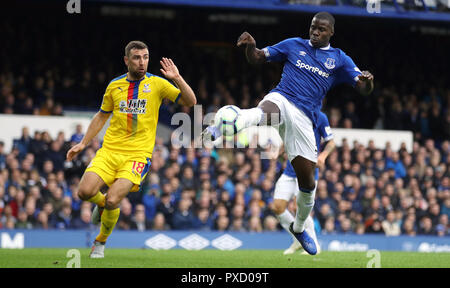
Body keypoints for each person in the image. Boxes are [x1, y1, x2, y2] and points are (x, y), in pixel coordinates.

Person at [203, 12, 373, 255]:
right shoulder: (293, 45)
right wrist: (251, 47)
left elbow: (363, 88)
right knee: (262, 113)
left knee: (308, 183)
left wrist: (368, 81)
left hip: (305, 118)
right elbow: (259, 58)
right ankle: (222, 126)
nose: (315, 32)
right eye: (313, 27)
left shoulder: (339, 59)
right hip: (283, 98)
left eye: (321, 29)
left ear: (331, 33)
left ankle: (300, 227)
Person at [66, 40, 196, 258]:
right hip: (109, 152)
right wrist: (83, 143)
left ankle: (100, 242)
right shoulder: (114, 86)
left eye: (145, 57)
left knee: (114, 200)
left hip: (137, 156)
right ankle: (101, 205)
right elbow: (101, 116)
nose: (142, 62)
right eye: (136, 57)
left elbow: (191, 101)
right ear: (127, 60)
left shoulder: (157, 84)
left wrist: (177, 78)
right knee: (84, 192)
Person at [273, 111, 335, 255]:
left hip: (308, 171)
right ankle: (297, 239)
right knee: (277, 207)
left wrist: (323, 156)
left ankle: (313, 244)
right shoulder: (293, 114)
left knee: (298, 208)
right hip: (289, 170)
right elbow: (288, 136)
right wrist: (280, 151)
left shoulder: (321, 117)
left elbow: (331, 142)